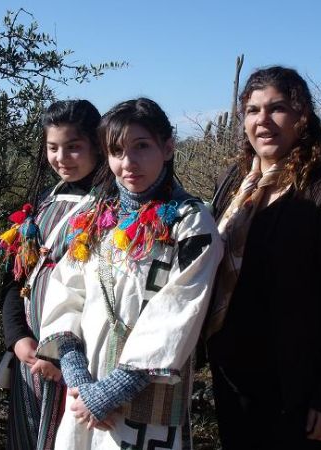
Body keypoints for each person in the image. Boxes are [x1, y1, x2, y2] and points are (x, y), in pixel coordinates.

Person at [34, 97, 223, 449]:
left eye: (141, 147)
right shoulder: (96, 218)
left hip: (147, 399)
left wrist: (110, 392)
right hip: (84, 390)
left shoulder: (190, 223)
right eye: (116, 151)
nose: (128, 163)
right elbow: (67, 293)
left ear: (167, 148)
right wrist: (78, 378)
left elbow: (179, 315)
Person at [205, 66, 321, 449]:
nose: (263, 120)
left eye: (277, 108)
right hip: (233, 375)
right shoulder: (234, 182)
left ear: (302, 117)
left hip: (295, 389)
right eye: (252, 110)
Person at [0, 99, 102, 450]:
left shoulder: (111, 208)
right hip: (30, 358)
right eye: (53, 148)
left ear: (97, 146)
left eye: (73, 147)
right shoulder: (42, 202)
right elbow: (16, 281)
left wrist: (62, 356)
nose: (61, 158)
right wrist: (17, 339)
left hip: (80, 362)